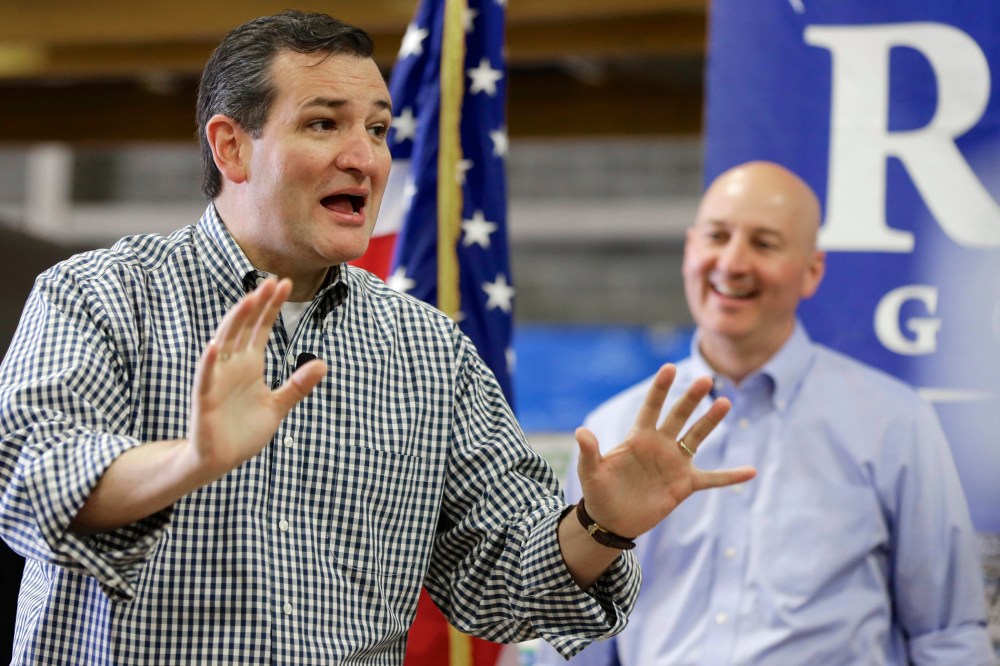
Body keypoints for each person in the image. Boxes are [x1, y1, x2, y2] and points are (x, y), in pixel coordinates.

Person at [0, 11, 755, 665]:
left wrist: (600, 525)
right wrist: (188, 461)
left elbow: (501, 582)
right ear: (230, 148)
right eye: (323, 123)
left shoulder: (429, 351)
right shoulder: (99, 294)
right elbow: (33, 485)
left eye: (378, 129)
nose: (364, 158)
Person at [536, 161, 994, 665]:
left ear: (812, 271)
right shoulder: (613, 431)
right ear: (690, 249)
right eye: (716, 236)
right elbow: (577, 638)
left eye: (764, 243)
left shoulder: (894, 423)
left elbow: (946, 635)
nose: (732, 263)